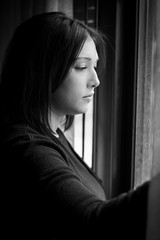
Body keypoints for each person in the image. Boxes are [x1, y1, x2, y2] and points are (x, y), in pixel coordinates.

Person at [0, 11, 159, 240]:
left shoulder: (52, 134)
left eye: (95, 66)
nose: (96, 80)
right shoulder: (27, 149)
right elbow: (92, 223)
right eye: (82, 67)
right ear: (42, 70)